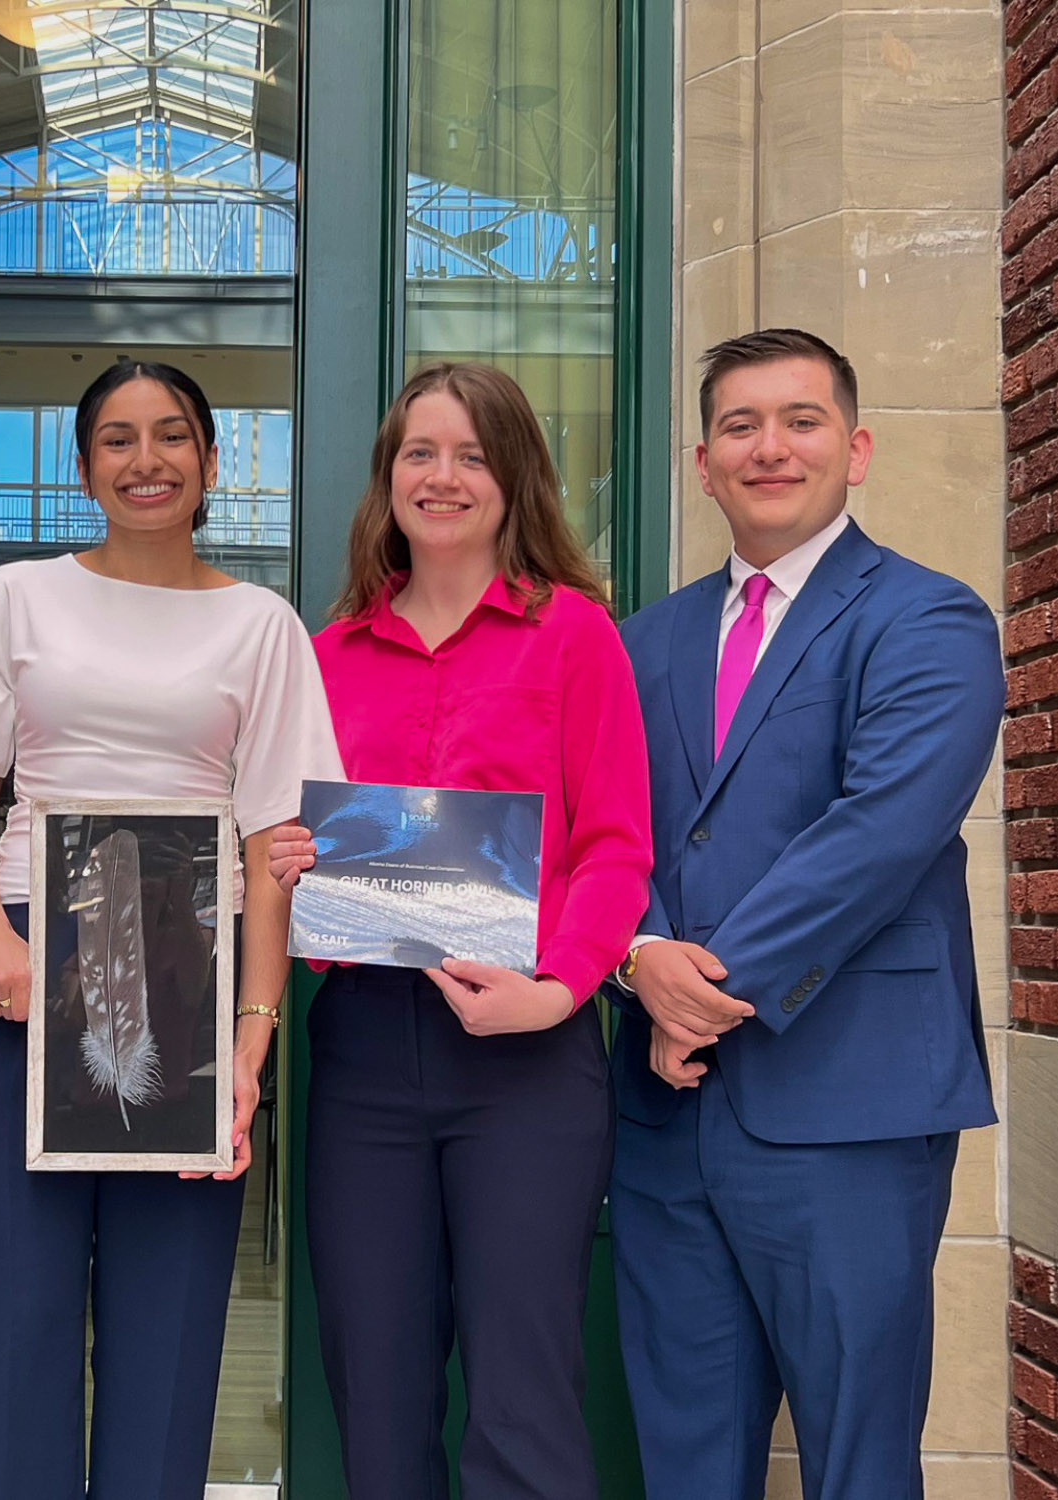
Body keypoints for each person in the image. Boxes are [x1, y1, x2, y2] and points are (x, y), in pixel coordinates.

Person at [0, 360, 342, 1500]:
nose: (145, 459)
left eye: (172, 437)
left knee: (167, 1328)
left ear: (211, 463)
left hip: (185, 963)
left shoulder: (261, 625)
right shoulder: (11, 599)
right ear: (84, 468)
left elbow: (273, 849)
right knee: (15, 1316)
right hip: (25, 964)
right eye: (117, 439)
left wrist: (251, 1043)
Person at [611, 328, 1004, 1500]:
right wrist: (636, 959)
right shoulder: (642, 640)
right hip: (665, 1123)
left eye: (798, 421)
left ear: (856, 448)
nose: (768, 447)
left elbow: (878, 832)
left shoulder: (929, 622)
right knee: (682, 1455)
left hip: (850, 1108)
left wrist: (700, 991)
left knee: (854, 1459)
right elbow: (600, 828)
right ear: (700, 461)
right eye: (739, 425)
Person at [267, 361, 653, 1498]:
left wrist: (563, 986)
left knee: (522, 1395)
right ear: (386, 479)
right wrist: (284, 862)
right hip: (363, 1050)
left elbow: (614, 847)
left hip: (527, 1051)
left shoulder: (574, 638)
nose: (442, 478)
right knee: (374, 1391)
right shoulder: (321, 657)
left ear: (513, 477)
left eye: (471, 455)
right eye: (419, 454)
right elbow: (282, 845)